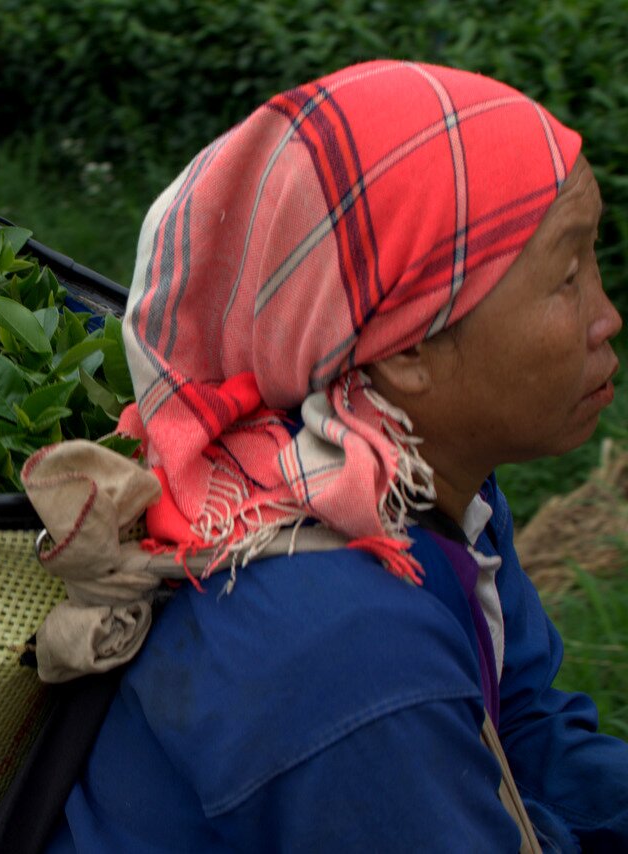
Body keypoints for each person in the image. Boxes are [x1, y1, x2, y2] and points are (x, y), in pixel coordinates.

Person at [41, 60, 627, 851]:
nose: (607, 317)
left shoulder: (410, 481)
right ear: (407, 348)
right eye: (567, 276)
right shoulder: (352, 655)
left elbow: (521, 727)